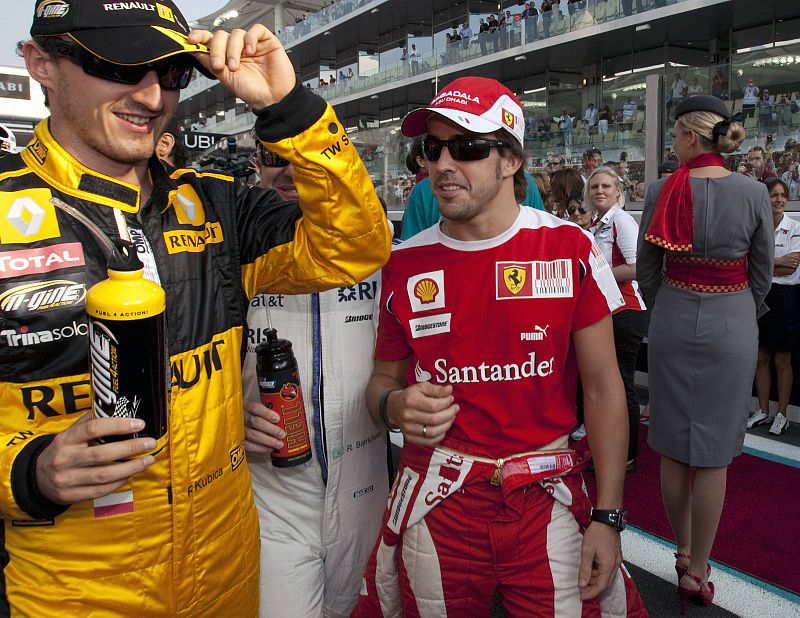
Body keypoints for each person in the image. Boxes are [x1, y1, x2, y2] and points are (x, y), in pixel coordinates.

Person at [3, 1, 391, 615]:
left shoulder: (218, 206)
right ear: (41, 63)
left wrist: (288, 110)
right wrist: (28, 473)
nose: (152, 96)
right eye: (124, 65)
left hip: (226, 573)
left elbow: (355, 247)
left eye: (173, 72)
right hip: (74, 590)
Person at [353, 76, 646, 617]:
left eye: (466, 148)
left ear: (510, 160)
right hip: (439, 501)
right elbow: (382, 385)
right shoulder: (402, 264)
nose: (443, 165)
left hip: (546, 498)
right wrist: (394, 407)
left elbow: (605, 391)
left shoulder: (569, 248)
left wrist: (608, 517)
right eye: (431, 149)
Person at [637, 95, 772, 613]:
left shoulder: (659, 190)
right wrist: (737, 312)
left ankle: (683, 549)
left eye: (674, 134)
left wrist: (666, 307)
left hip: (672, 315)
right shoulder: (755, 192)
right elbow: (761, 273)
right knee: (713, 456)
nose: (672, 143)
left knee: (672, 443)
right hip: (732, 319)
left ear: (692, 138)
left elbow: (647, 269)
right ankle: (699, 569)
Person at [242, 144, 390, 617]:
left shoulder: (378, 242)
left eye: (303, 159)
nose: (288, 171)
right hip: (270, 497)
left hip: (367, 489)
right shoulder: (228, 248)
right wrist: (227, 419)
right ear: (256, 166)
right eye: (272, 158)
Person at [587, 167, 647, 472]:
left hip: (626, 311)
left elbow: (637, 268)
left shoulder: (622, 220)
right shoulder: (597, 222)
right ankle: (609, 450)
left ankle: (628, 455)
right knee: (607, 385)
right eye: (595, 186)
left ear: (618, 192)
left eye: (606, 186)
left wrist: (595, 277)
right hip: (607, 311)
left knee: (622, 385)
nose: (599, 190)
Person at [748, 177, 800, 436]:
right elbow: (748, 263)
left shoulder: (796, 227)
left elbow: (792, 265)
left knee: (783, 358)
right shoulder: (757, 227)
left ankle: (782, 414)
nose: (778, 200)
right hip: (760, 293)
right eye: (773, 195)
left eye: (782, 195)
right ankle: (763, 410)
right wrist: (774, 262)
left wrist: (765, 263)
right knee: (761, 356)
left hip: (785, 297)